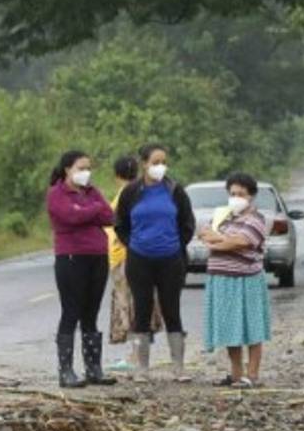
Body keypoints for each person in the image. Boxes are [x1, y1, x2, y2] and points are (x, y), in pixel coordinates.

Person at [114, 143, 196, 382]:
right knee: (141, 311)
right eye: (155, 162)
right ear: (144, 164)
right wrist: (134, 242)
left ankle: (178, 367)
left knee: (172, 310)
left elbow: (187, 223)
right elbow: (120, 223)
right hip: (140, 259)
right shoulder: (131, 192)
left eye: (163, 162)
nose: (160, 167)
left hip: (170, 258)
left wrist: (175, 244)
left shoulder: (175, 191)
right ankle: (142, 368)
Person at [46, 149, 116, 388]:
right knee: (71, 311)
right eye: (81, 168)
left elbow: (110, 217)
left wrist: (90, 210)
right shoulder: (57, 193)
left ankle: (94, 368)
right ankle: (65, 370)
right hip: (71, 257)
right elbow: (69, 217)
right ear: (67, 169)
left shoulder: (92, 192)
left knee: (91, 313)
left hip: (97, 256)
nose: (86, 173)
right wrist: (93, 210)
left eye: (88, 168)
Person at [199, 173, 272, 387]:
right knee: (231, 329)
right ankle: (236, 374)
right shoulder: (223, 216)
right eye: (232, 194)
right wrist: (222, 241)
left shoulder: (256, 219)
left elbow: (241, 242)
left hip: (246, 281)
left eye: (241, 194)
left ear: (251, 196)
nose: (236, 198)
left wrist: (219, 240)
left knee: (252, 327)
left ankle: (252, 375)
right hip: (221, 280)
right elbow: (204, 234)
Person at [105, 155, 163, 370]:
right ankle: (137, 355)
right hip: (137, 254)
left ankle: (136, 357)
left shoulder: (125, 195)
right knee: (137, 304)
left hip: (126, 256)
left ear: (116, 175)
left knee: (130, 305)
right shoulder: (143, 192)